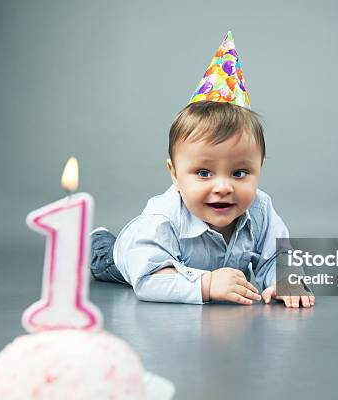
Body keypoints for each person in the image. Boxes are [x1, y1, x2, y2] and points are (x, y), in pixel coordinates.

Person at [90, 31, 314, 308]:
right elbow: (149, 279)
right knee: (103, 261)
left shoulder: (260, 208)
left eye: (239, 173)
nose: (223, 187)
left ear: (260, 169)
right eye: (204, 173)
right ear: (174, 174)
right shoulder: (162, 220)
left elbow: (276, 256)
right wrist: (206, 284)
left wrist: (285, 280)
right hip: (132, 258)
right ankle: (97, 241)